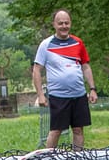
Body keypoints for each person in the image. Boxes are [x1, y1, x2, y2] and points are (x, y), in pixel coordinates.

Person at [33, 9, 99, 151]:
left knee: (78, 130)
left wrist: (92, 89)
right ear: (54, 25)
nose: (64, 26)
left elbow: (86, 67)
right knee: (56, 131)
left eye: (66, 23)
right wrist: (40, 95)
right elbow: (37, 70)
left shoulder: (78, 43)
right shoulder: (46, 44)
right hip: (58, 96)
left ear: (70, 24)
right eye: (60, 23)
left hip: (79, 94)